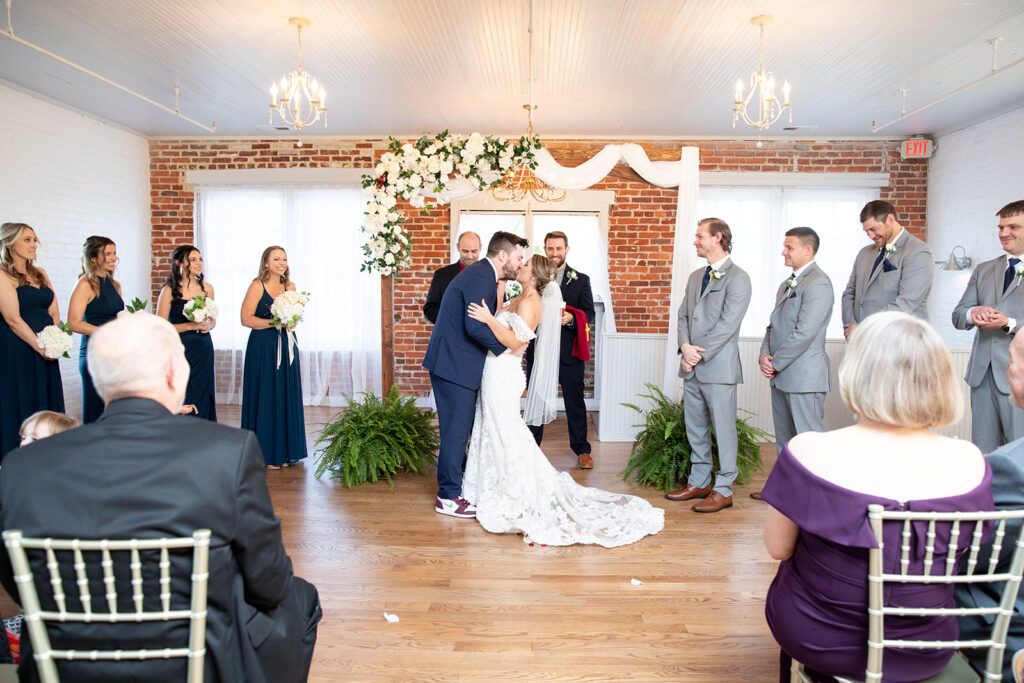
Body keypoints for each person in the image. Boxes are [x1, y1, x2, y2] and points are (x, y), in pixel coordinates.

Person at [0, 313, 320, 682]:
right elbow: (269, 584)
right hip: (194, 662)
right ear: (173, 372)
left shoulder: (24, 465)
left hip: (67, 663)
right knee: (301, 597)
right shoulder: (228, 451)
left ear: (98, 377)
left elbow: (21, 584)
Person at [761, 312, 993, 682]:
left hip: (821, 639)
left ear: (858, 372)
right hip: (926, 646)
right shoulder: (971, 461)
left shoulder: (808, 450)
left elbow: (778, 548)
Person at [462, 254, 664, 546]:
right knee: (492, 426)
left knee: (506, 429)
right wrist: (500, 294)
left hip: (505, 373)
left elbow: (516, 342)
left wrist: (489, 319)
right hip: (493, 370)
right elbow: (503, 321)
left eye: (525, 265)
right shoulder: (521, 295)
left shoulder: (533, 303)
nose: (520, 266)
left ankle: (515, 488)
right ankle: (489, 483)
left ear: (534, 277)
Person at [423, 231, 527, 518]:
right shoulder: (482, 276)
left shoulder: (484, 274)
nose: (520, 263)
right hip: (454, 365)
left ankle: (455, 486)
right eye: (518, 257)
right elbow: (475, 327)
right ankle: (447, 497)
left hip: (455, 363)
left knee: (457, 432)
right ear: (503, 255)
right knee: (456, 434)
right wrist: (508, 351)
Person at [666, 218, 752, 513]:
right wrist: (685, 347)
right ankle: (699, 481)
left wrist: (699, 353)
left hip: (718, 367)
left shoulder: (738, 277)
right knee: (696, 427)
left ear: (717, 238)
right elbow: (682, 317)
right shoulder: (694, 277)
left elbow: (729, 324)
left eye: (699, 235)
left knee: (724, 429)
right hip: (691, 366)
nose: (695, 240)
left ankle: (724, 488)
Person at [956, 326, 1024, 681]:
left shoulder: (1012, 465)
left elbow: (968, 559)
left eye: (1011, 359)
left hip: (1004, 632)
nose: (1008, 368)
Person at [752, 227, 833, 501]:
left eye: (789, 247)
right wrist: (765, 354)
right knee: (785, 441)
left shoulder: (819, 283)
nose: (783, 252)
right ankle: (786, 492)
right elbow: (773, 324)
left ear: (807, 250)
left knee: (809, 440)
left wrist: (777, 363)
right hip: (782, 374)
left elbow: (805, 332)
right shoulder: (787, 284)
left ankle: (818, 498)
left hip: (805, 377)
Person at [952, 200, 1024, 453]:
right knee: (984, 454)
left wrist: (1011, 323)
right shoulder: (984, 269)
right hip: (981, 375)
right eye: (1001, 227)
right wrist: (974, 313)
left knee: (1018, 453)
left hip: (1019, 377)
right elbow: (959, 315)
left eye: (1013, 226)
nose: (1004, 233)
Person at [525, 231, 596, 469]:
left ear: (567, 249)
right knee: (536, 398)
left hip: (569, 353)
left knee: (574, 401)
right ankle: (530, 448)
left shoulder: (581, 280)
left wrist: (571, 320)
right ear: (545, 250)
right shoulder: (534, 278)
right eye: (550, 248)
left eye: (559, 248)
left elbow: (590, 314)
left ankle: (582, 449)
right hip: (540, 350)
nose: (555, 253)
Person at [0, 223, 65, 458]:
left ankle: (50, 457)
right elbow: (12, 319)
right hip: (19, 348)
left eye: (35, 240)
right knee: (22, 399)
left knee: (46, 402)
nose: (34, 245)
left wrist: (56, 339)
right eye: (27, 240)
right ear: (9, 243)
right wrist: (41, 347)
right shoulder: (2, 275)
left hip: (47, 350)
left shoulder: (41, 273)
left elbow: (54, 313)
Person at [240, 246, 306, 469]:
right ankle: (266, 453)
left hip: (286, 344)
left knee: (285, 393)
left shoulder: (290, 286)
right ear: (266, 263)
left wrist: (292, 321)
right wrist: (275, 322)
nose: (282, 262)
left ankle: (286, 452)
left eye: (284, 258)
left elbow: (295, 318)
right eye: (276, 258)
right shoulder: (257, 286)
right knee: (266, 394)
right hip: (263, 347)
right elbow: (246, 319)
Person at [841, 200, 933, 338]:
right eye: (867, 231)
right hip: (862, 343)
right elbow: (849, 293)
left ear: (890, 219)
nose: (871, 236)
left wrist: (864, 329)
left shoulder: (917, 251)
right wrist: (851, 329)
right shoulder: (864, 253)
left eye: (874, 229)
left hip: (901, 342)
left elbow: (907, 302)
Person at [157, 245, 218, 421]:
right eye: (193, 259)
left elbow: (212, 320)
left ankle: (204, 430)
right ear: (179, 263)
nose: (199, 263)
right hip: (179, 348)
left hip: (203, 347)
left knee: (203, 388)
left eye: (200, 259)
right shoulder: (169, 291)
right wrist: (191, 326)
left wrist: (208, 325)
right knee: (182, 388)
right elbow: (160, 326)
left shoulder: (207, 288)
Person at [67, 235, 124, 423]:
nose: (113, 258)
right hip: (94, 353)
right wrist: (105, 332)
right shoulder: (85, 284)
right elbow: (73, 323)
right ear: (93, 258)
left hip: (114, 352)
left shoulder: (115, 285)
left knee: (115, 407)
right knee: (96, 408)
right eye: (107, 254)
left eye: (114, 253)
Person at [423, 231, 481, 324]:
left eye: (474, 251)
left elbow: (500, 310)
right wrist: (450, 321)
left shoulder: (492, 275)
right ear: (458, 247)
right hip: (450, 335)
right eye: (465, 251)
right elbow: (430, 308)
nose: (470, 256)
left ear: (480, 248)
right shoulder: (441, 275)